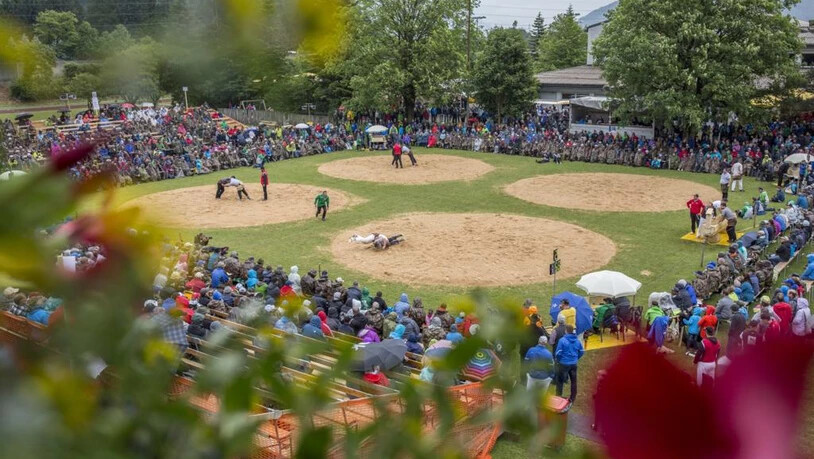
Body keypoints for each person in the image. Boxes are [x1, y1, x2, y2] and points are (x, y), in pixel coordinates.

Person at [554, 325, 584, 408]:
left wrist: (559, 360)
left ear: (566, 331)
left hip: (563, 364)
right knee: (574, 381)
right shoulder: (577, 341)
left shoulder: (562, 340)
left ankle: (558, 396)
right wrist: (576, 358)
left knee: (560, 381)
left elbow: (558, 353)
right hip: (573, 364)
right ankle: (572, 398)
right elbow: (581, 351)